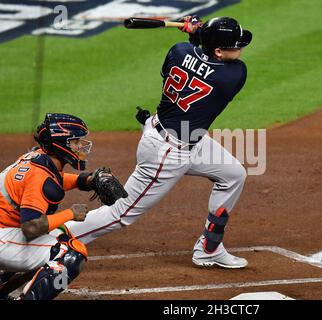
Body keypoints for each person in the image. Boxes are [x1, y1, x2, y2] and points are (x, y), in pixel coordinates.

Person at [65, 16, 253, 269]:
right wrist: (197, 32)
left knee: (234, 175)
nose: (240, 50)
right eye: (235, 46)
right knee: (121, 212)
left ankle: (209, 248)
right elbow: (211, 64)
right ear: (219, 50)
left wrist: (195, 35)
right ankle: (49, 236)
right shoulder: (233, 75)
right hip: (167, 152)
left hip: (183, 137)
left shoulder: (178, 51)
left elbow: (193, 58)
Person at [0, 113, 95, 300]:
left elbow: (54, 180)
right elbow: (31, 228)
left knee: (60, 235)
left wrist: (84, 181)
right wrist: (70, 213)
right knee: (69, 254)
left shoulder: (37, 157)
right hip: (3, 235)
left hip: (4, 229)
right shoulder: (39, 176)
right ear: (61, 144)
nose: (81, 147)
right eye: (75, 142)